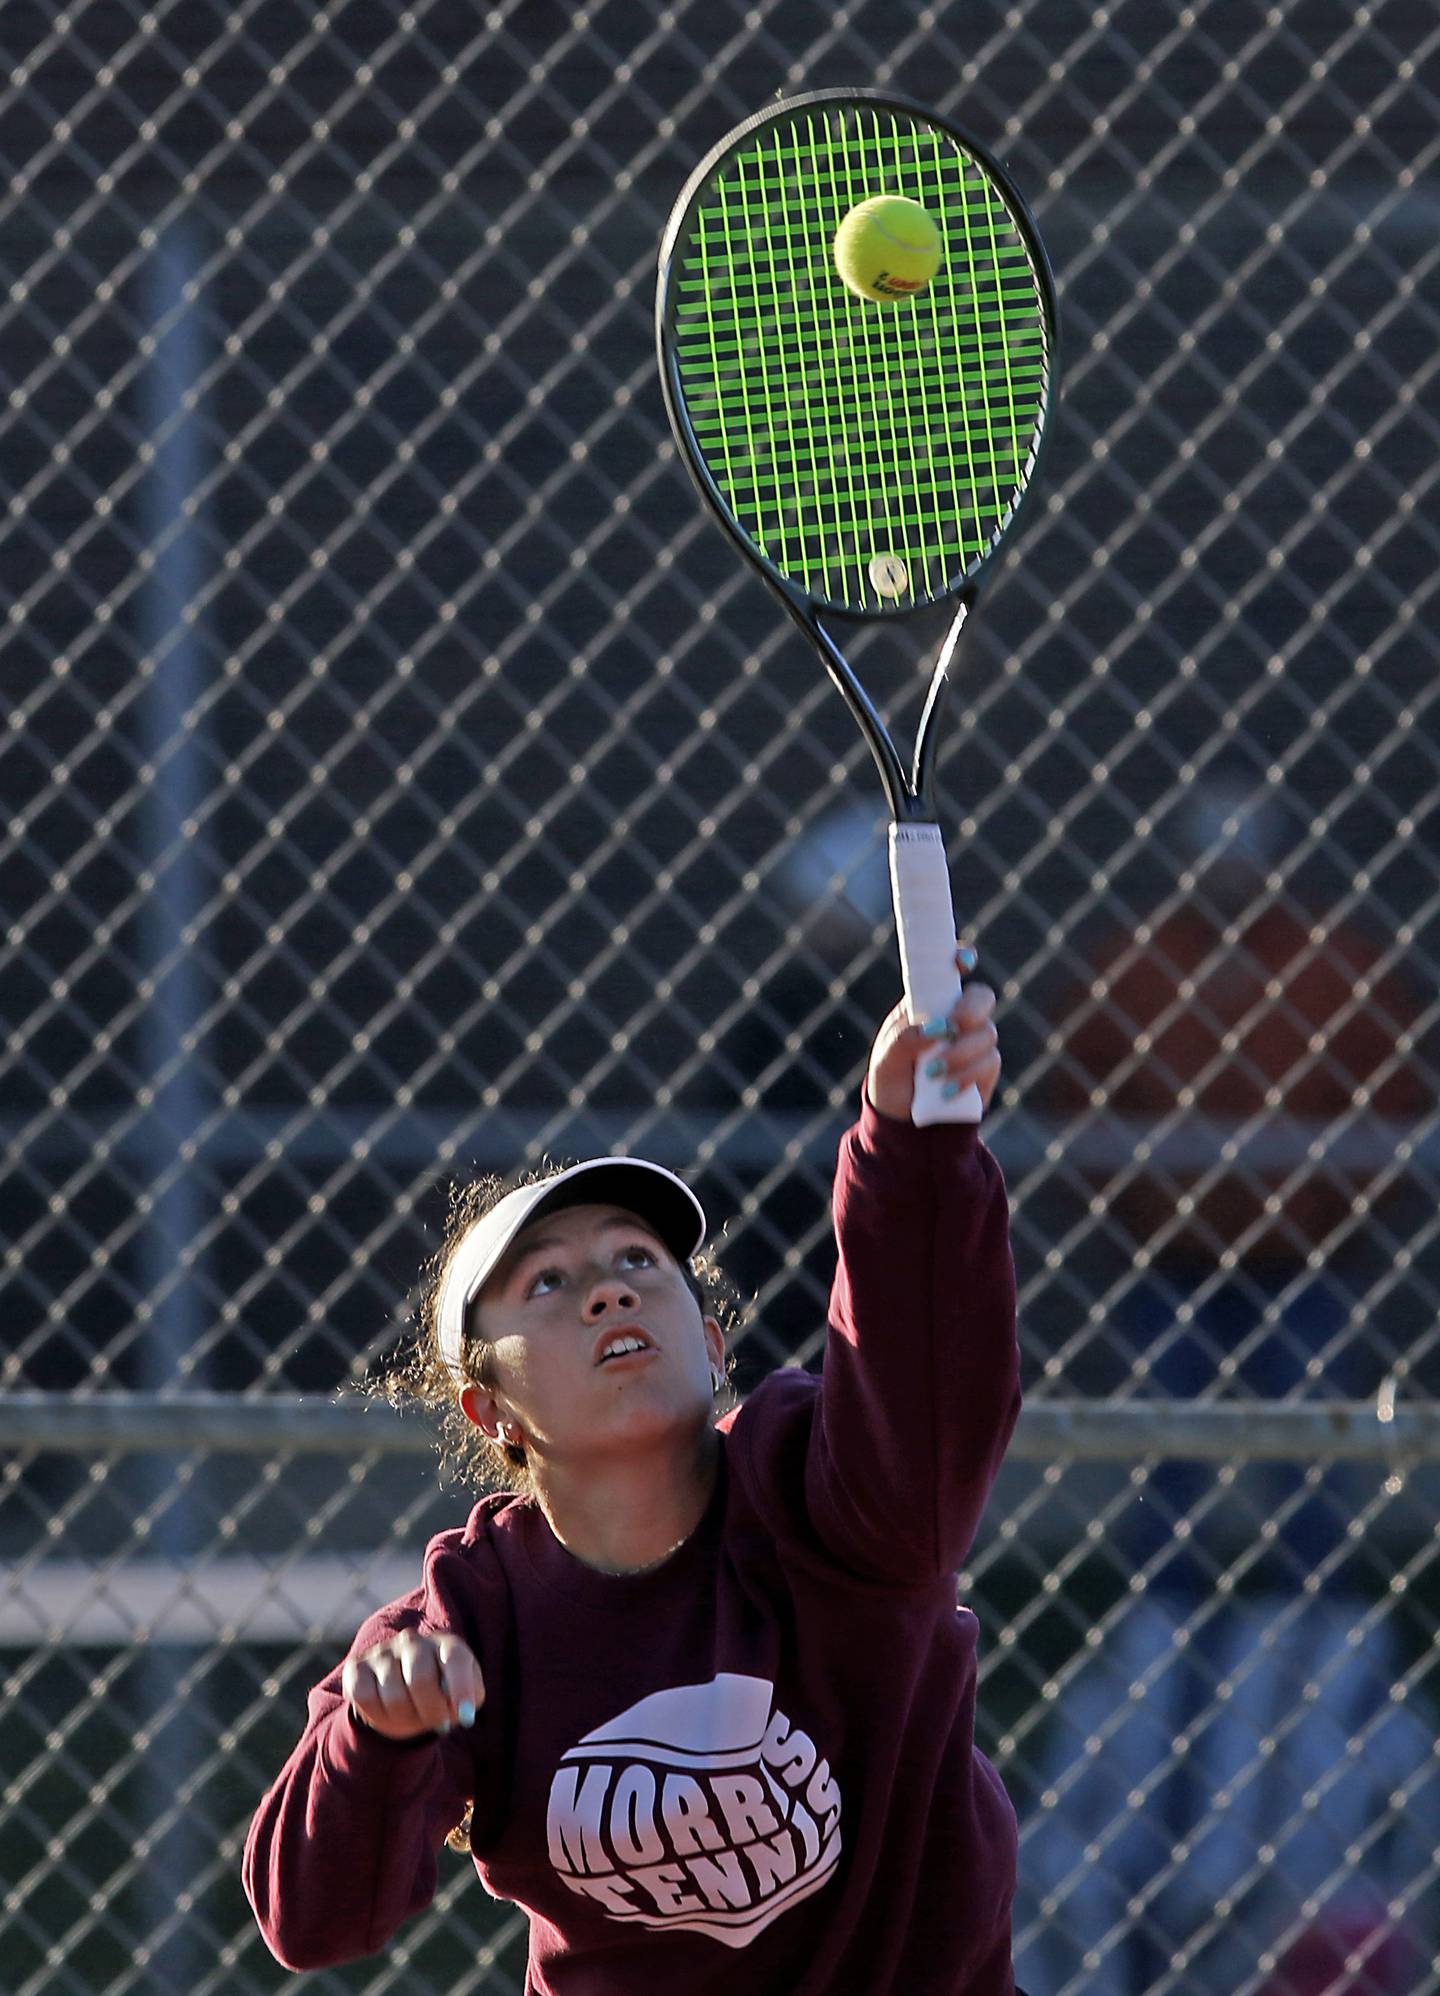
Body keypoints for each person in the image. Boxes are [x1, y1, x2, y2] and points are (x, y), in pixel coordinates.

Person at [243, 960, 1030, 1994]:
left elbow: (924, 1372)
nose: (609, 1290)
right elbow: (315, 1920)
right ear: (494, 1413)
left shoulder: (827, 1493)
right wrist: (374, 1737)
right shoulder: (467, 1618)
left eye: (637, 1260)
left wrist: (906, 1140)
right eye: (550, 1283)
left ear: (710, 1347)